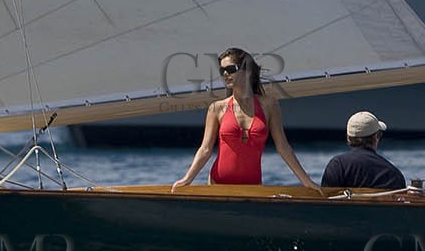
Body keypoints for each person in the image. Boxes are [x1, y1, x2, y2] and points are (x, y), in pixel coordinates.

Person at [171, 47, 318, 190]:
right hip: (218, 185)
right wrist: (187, 179)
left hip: (253, 187)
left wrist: (306, 181)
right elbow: (205, 149)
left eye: (231, 69)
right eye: (223, 71)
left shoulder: (269, 105)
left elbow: (283, 147)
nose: (226, 74)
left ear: (247, 70)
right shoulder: (217, 108)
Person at [320, 111, 406, 190]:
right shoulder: (393, 174)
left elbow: (325, 199)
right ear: (376, 137)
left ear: (348, 139)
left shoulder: (337, 165)